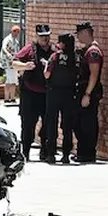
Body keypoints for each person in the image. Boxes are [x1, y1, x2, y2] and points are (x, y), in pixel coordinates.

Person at [12, 24, 52, 161]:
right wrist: (25, 66)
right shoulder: (29, 49)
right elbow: (14, 63)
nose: (45, 39)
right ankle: (25, 153)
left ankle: (45, 151)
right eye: (42, 37)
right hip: (30, 93)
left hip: (47, 94)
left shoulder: (54, 50)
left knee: (48, 124)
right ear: (37, 37)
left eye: (47, 36)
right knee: (28, 124)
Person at [43, 32, 81, 164]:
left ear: (62, 44)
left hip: (54, 93)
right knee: (67, 125)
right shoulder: (76, 57)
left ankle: (51, 154)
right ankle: (66, 154)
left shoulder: (55, 56)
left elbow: (47, 74)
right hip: (70, 93)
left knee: (51, 123)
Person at [74, 22, 104, 163]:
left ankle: (88, 153)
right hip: (83, 91)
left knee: (88, 124)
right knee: (79, 123)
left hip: (89, 92)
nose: (78, 37)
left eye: (79, 34)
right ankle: (82, 152)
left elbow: (94, 74)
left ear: (86, 33)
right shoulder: (86, 50)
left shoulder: (93, 52)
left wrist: (87, 94)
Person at [0, 26, 22, 104]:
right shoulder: (7, 39)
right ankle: (6, 98)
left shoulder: (16, 42)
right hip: (7, 63)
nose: (17, 34)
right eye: (16, 32)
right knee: (9, 80)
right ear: (13, 31)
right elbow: (4, 48)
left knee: (14, 80)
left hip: (14, 63)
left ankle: (12, 98)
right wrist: (8, 54)